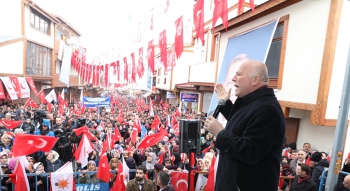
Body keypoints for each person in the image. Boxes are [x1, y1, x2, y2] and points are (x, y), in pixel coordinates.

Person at [203, 60, 285, 191]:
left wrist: (220, 133)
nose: (233, 78)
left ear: (255, 80)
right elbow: (242, 125)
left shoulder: (268, 109)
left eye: (239, 74)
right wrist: (225, 104)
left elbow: (250, 152)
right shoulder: (254, 103)